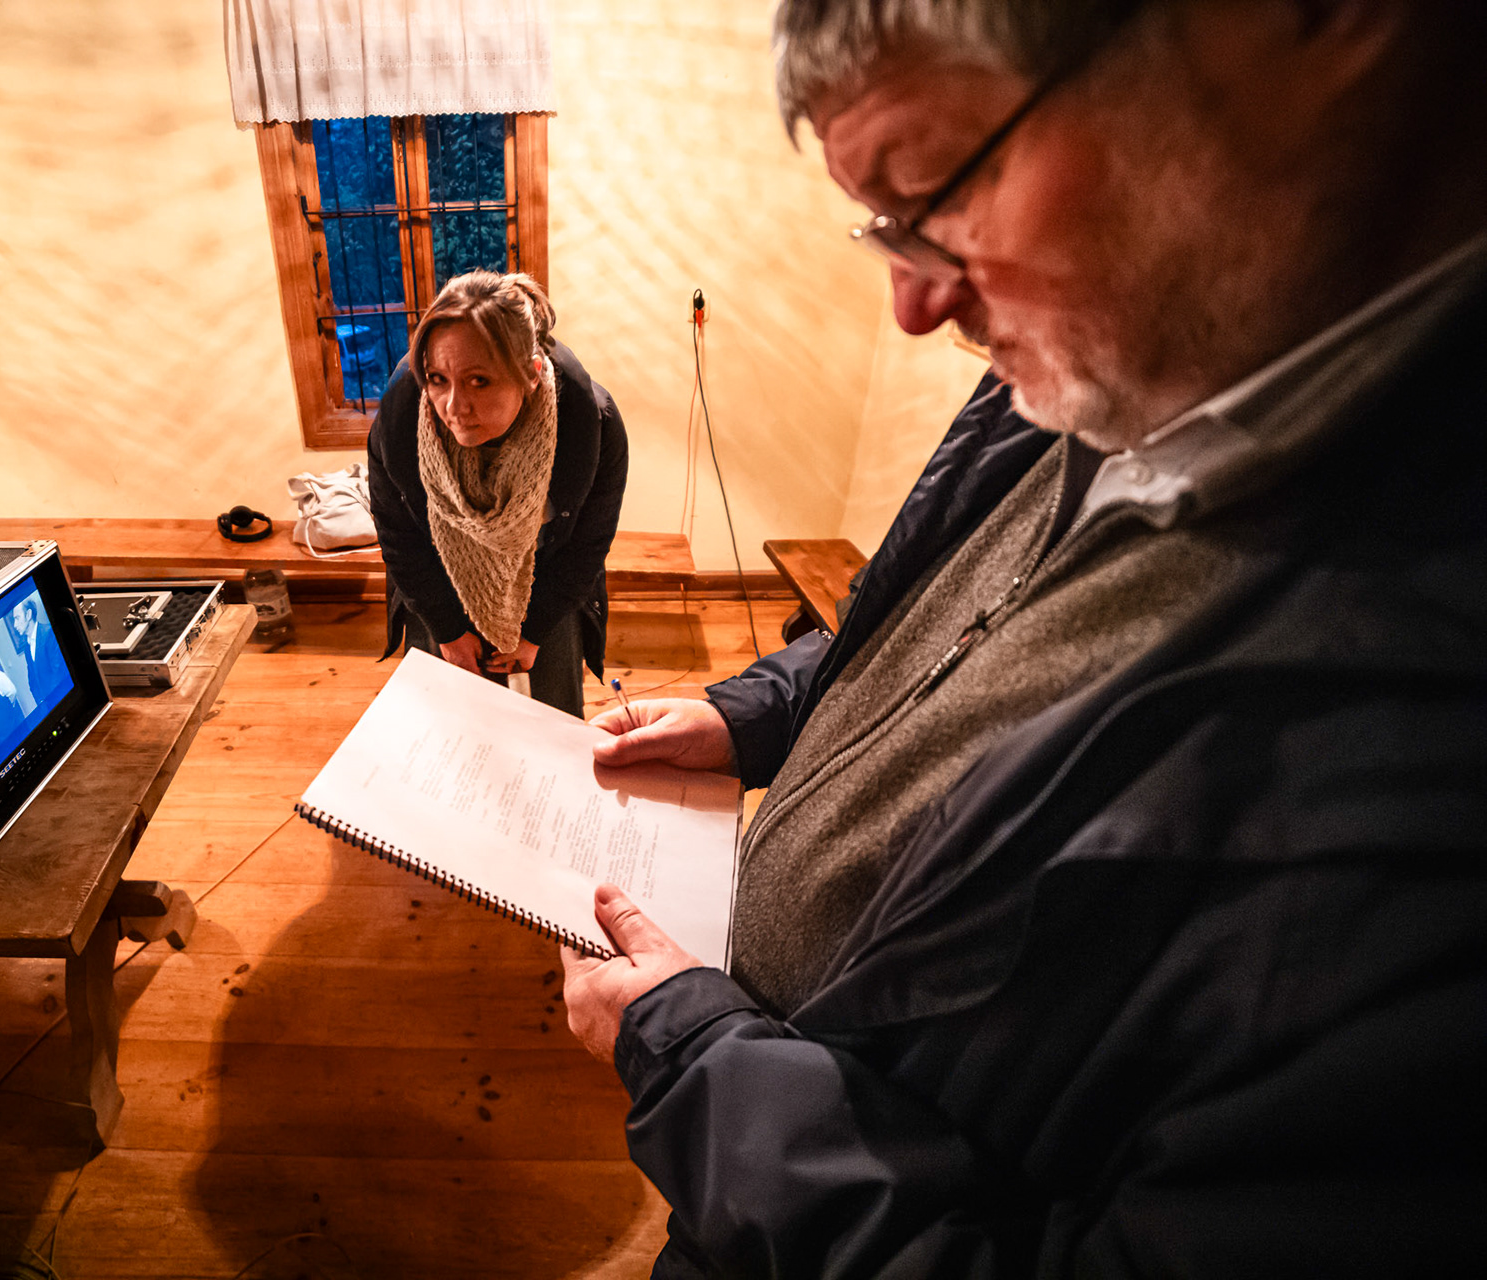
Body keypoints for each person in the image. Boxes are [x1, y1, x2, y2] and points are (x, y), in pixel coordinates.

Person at [560, 1, 1487, 1275]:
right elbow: (958, 637)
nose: (914, 302)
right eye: (886, 226)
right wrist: (754, 711)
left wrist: (698, 1061)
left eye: (935, 187)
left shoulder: (1428, 766)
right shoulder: (1105, 361)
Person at [367, 270, 628, 717]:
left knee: (547, 724)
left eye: (480, 381)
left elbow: (587, 542)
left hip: (547, 587)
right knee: (445, 726)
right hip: (436, 584)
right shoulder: (400, 419)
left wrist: (534, 633)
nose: (454, 407)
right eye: (437, 378)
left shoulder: (590, 423)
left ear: (530, 375)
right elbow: (399, 536)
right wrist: (448, 630)